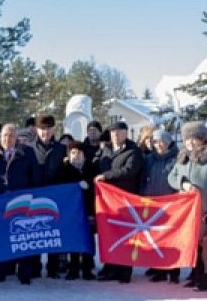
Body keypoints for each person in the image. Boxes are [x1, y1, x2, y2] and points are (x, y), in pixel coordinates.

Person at [168, 122, 207, 292]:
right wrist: (184, 184)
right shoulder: (182, 158)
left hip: (203, 208)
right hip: (185, 210)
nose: (190, 144)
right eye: (187, 140)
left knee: (204, 243)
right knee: (191, 242)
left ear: (203, 140)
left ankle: (206, 278)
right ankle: (195, 275)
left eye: (194, 140)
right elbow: (171, 177)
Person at [0, 123, 39, 284]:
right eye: (5, 135)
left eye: (12, 135)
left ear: (17, 138)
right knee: (1, 238)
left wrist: (33, 198)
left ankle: (24, 274)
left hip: (22, 201)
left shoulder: (27, 153)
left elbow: (35, 176)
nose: (8, 139)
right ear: (0, 136)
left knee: (22, 237)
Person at [95, 121, 144, 284]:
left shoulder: (133, 151)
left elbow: (129, 170)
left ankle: (124, 271)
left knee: (126, 235)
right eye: (113, 132)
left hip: (126, 199)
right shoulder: (106, 149)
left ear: (126, 133)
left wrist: (106, 176)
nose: (116, 135)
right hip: (108, 201)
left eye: (120, 132)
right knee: (110, 233)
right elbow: (98, 165)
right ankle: (109, 267)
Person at [30, 115, 67, 278]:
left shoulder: (61, 149)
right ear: (37, 130)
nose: (46, 132)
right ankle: (35, 267)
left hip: (54, 197)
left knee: (53, 233)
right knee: (35, 232)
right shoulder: (29, 148)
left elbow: (66, 172)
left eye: (49, 129)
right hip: (35, 196)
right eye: (42, 129)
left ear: (53, 130)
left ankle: (53, 267)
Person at [143, 129, 181, 283]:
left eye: (162, 141)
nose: (159, 145)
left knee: (170, 238)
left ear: (168, 142)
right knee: (156, 239)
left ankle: (173, 271)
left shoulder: (176, 158)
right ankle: (158, 270)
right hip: (152, 203)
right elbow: (143, 178)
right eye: (156, 142)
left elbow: (179, 179)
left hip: (170, 204)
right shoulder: (149, 159)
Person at [58, 141, 98, 280]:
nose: (76, 156)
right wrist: (75, 186)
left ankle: (87, 268)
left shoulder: (92, 169)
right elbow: (61, 188)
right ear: (69, 155)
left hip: (87, 210)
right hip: (71, 212)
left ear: (84, 155)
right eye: (73, 153)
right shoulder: (64, 169)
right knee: (73, 239)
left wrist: (89, 187)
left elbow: (97, 189)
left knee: (87, 239)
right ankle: (73, 268)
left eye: (79, 153)